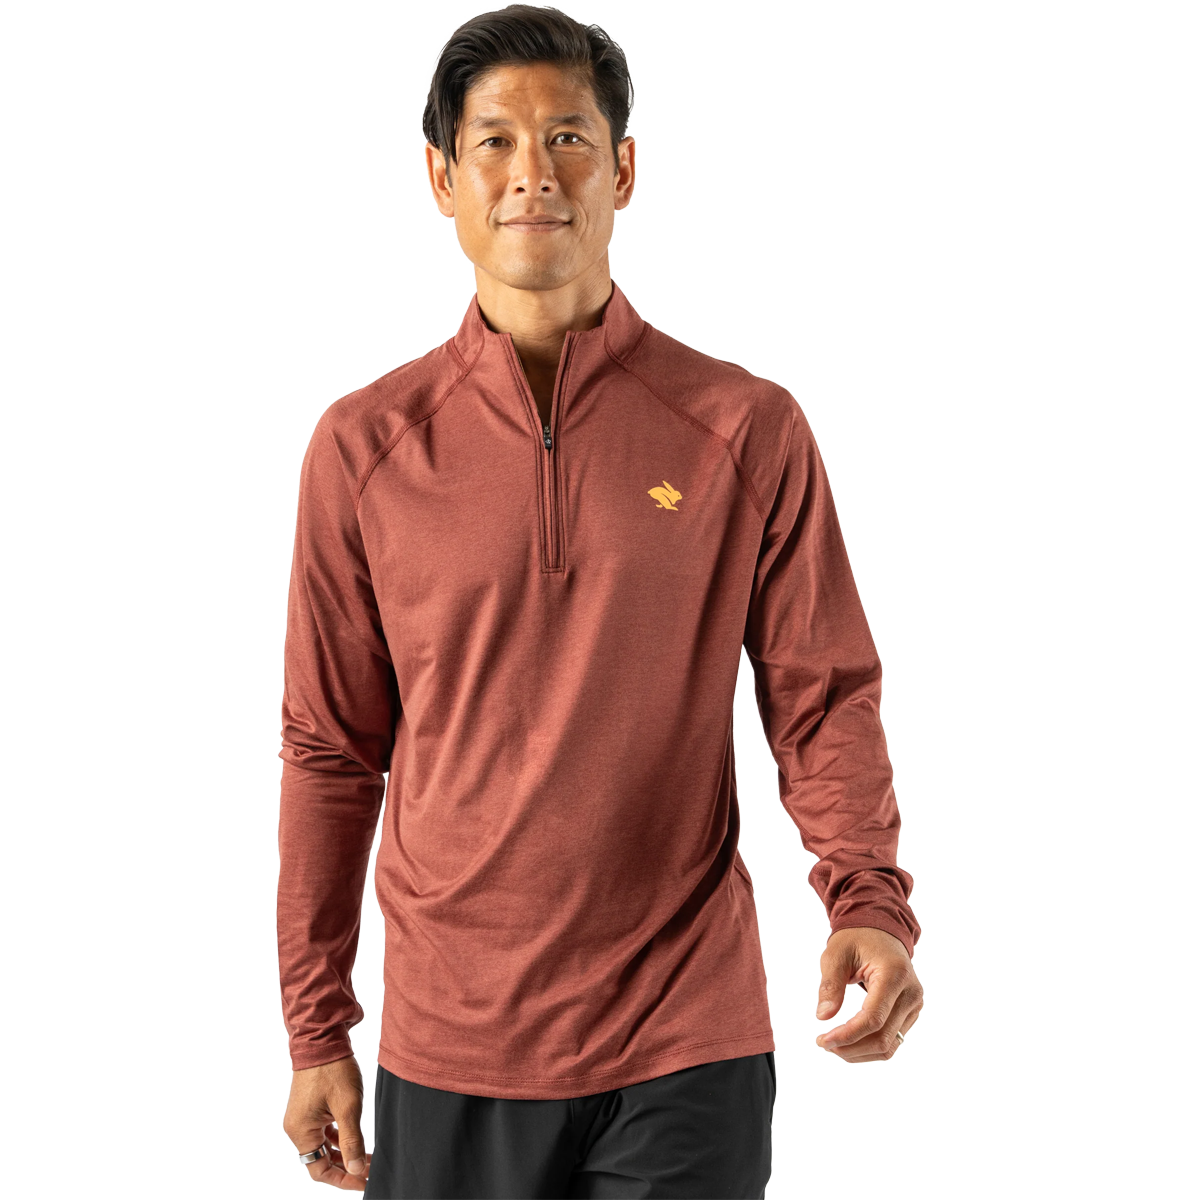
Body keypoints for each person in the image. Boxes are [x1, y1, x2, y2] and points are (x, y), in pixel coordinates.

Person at [278, 6, 923, 1197]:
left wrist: (868, 900)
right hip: (453, 1038)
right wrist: (316, 1026)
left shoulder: (744, 429)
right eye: (495, 143)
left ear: (622, 170)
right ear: (442, 179)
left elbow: (822, 695)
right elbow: (330, 749)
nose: (534, 173)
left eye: (568, 138)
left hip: (686, 1036)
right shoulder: (364, 448)